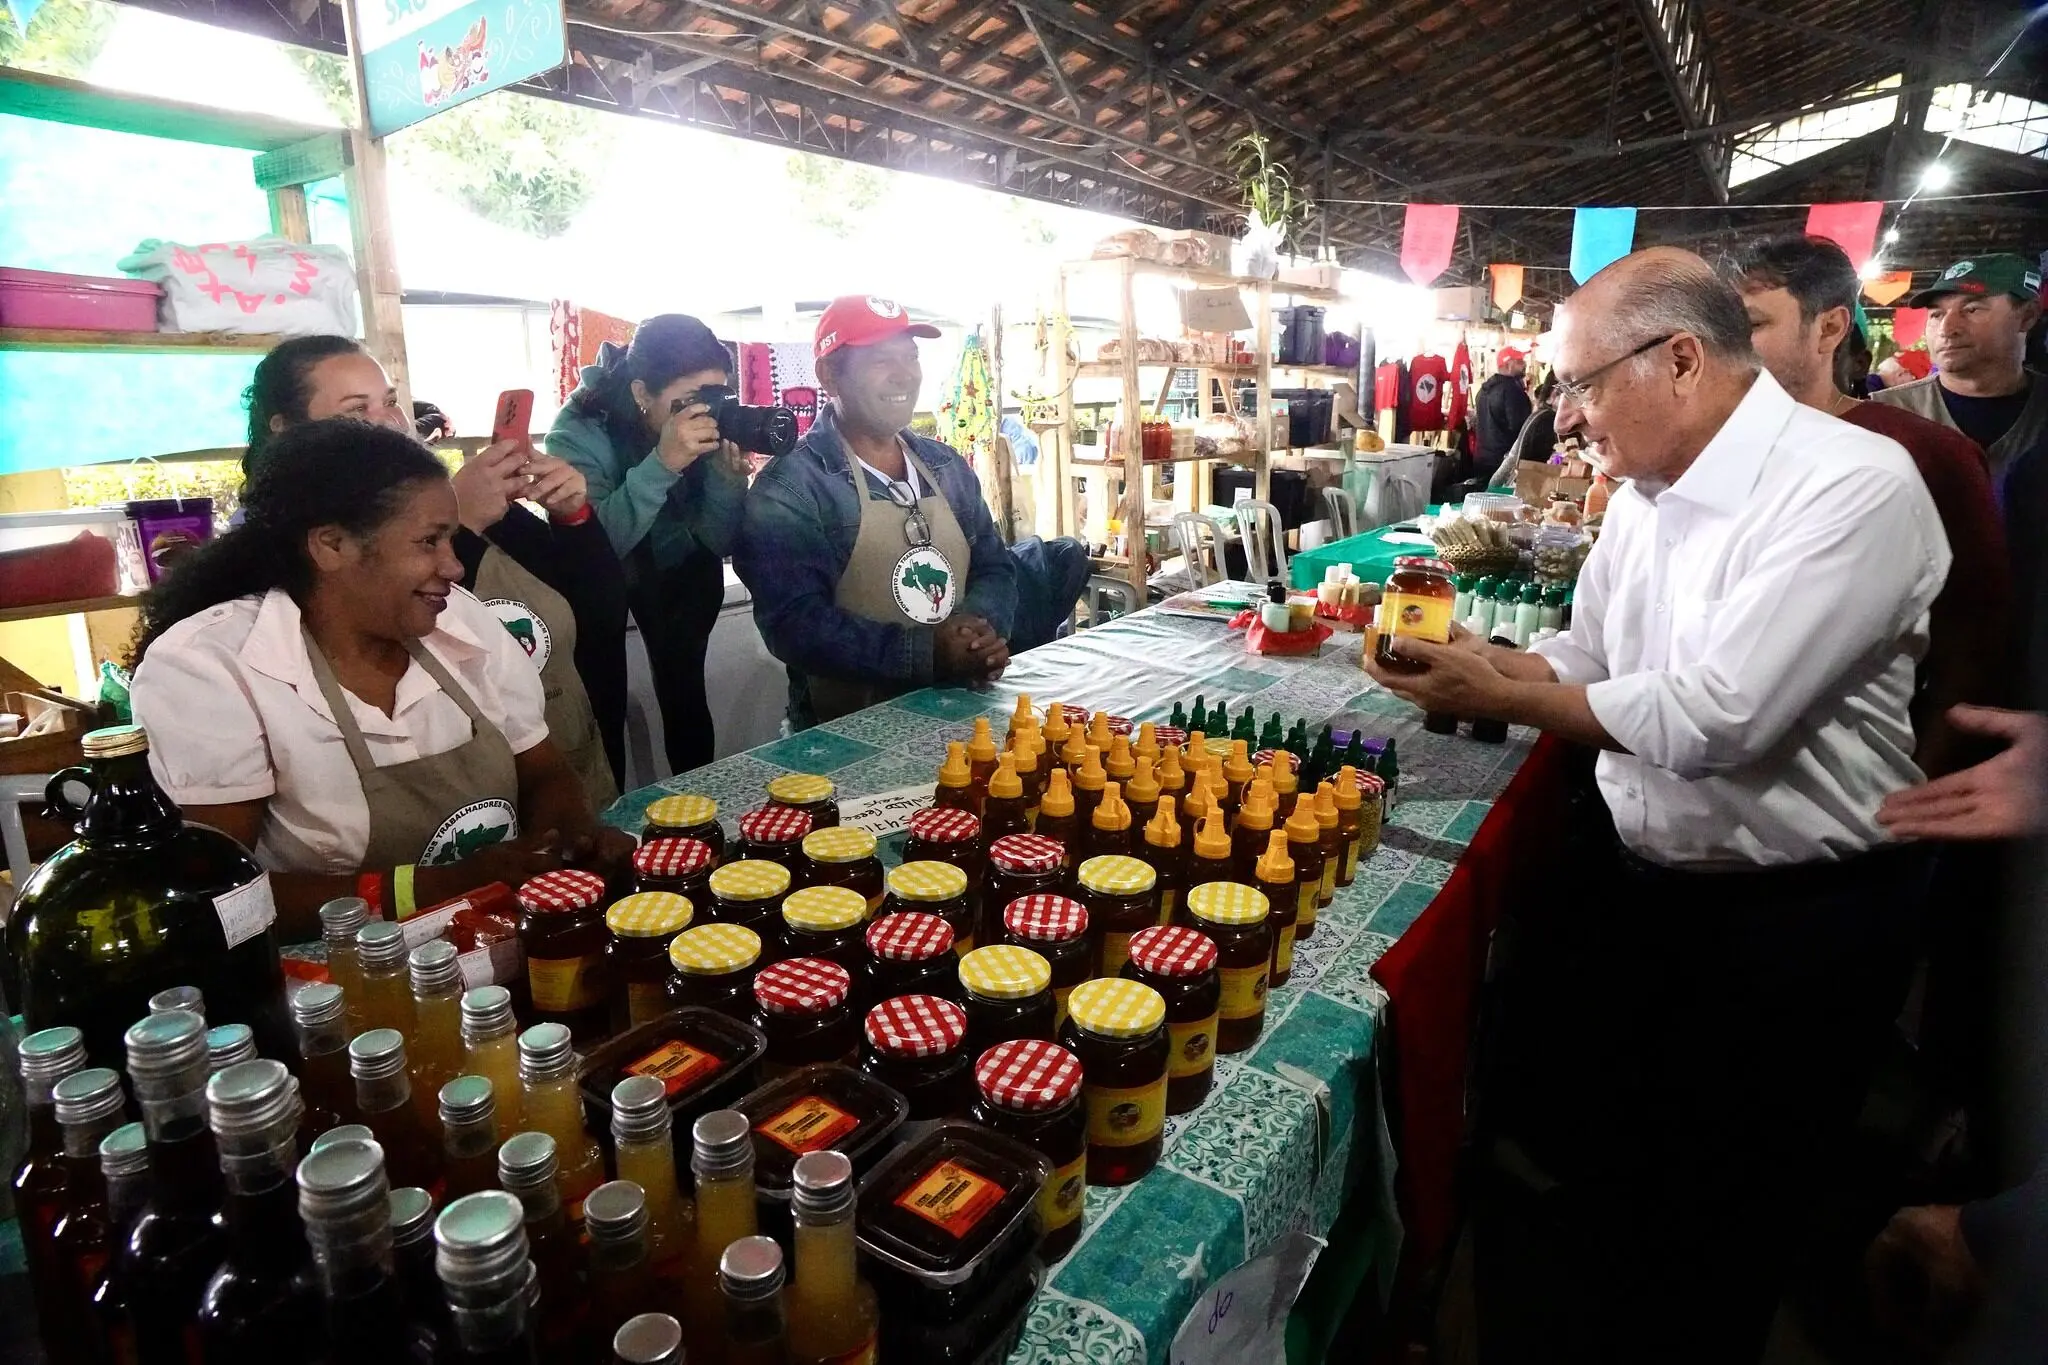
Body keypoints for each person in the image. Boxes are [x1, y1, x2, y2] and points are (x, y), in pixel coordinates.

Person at [1368, 248, 1949, 1362]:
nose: (1567, 418)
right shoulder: (1642, 493)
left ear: (1678, 358)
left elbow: (1717, 719)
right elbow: (1587, 652)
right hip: (1653, 890)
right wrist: (1484, 658)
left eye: (1579, 386)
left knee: (1728, 1225)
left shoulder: (1850, 486)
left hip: (1797, 918)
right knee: (1628, 1183)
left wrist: (1495, 695)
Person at [131, 420, 633, 940]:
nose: (455, 567)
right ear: (331, 545)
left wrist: (572, 842)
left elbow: (544, 771)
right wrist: (442, 886)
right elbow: (220, 896)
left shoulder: (460, 622)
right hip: (345, 981)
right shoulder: (214, 668)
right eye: (429, 542)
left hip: (493, 940)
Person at [240, 337, 621, 810]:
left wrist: (573, 517)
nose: (389, 422)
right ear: (287, 431)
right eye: (357, 408)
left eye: (391, 401)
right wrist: (459, 523)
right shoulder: (281, 556)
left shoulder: (471, 500)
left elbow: (600, 615)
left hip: (562, 780)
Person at [1730, 233, 2013, 776]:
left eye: (1753, 325)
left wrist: (1922, 785)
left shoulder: (1923, 452)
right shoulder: (1716, 451)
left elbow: (1973, 639)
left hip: (1858, 792)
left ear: (1830, 328)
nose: (1726, 347)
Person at [735, 295, 1016, 727]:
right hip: (846, 731)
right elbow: (794, 625)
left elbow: (995, 567)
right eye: (880, 360)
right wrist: (926, 653)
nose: (904, 373)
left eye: (910, 356)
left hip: (964, 711)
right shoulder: (790, 488)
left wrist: (977, 634)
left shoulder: (946, 467)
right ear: (830, 375)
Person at [550, 315, 750, 775]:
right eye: (691, 399)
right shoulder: (580, 429)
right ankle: (611, 824)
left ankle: (699, 809)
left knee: (685, 696)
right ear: (642, 393)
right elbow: (593, 552)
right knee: (603, 703)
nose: (706, 411)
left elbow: (716, 542)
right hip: (603, 575)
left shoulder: (708, 422)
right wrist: (664, 463)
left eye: (716, 394)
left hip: (677, 566)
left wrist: (724, 480)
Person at [1876, 255, 2048, 629]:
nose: (1947, 328)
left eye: (1972, 309)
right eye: (1936, 315)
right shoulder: (1884, 416)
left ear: (2027, 317)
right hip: (1920, 635)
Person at [1474, 346, 1534, 476]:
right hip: (1503, 462)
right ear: (1509, 364)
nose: (1524, 364)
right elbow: (1521, 428)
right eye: (1520, 361)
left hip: (1482, 457)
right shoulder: (1512, 391)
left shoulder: (1484, 390)